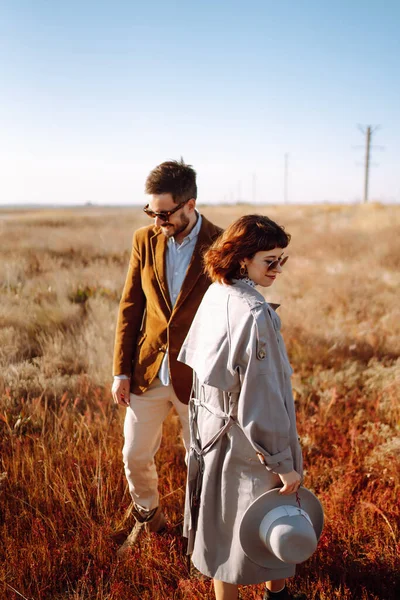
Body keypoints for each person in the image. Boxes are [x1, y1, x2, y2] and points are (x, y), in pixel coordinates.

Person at [178, 215, 307, 600]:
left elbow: (199, 371)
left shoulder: (217, 292)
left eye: (282, 260)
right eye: (270, 261)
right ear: (242, 258)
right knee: (273, 519)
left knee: (220, 530)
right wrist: (282, 462)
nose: (278, 269)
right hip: (249, 446)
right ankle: (277, 596)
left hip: (211, 435)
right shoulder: (254, 312)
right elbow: (262, 398)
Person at [111, 159, 222, 554]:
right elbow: (130, 306)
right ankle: (149, 519)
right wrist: (120, 371)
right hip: (147, 370)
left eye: (165, 213)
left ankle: (198, 532)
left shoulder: (222, 244)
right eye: (151, 212)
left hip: (200, 376)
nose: (157, 220)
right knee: (134, 453)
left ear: (190, 204)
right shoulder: (144, 239)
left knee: (203, 461)